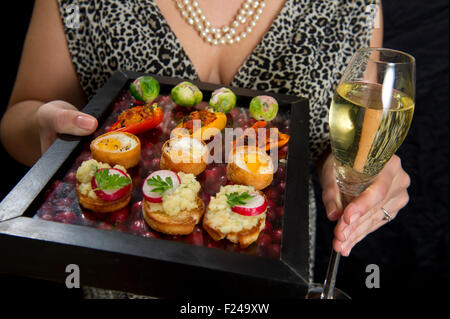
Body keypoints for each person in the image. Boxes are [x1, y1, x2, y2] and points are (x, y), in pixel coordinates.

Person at [0, 0, 410, 295]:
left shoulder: (355, 6)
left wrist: (348, 170)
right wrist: (49, 134)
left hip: (269, 275)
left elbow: (340, 140)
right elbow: (21, 115)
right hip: (119, 280)